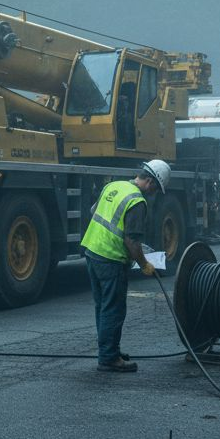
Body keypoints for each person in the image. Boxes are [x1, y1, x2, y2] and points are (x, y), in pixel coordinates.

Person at [80, 160, 173, 373]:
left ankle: (109, 350)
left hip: (92, 252)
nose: (155, 193)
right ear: (149, 181)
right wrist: (144, 264)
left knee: (102, 306)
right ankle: (109, 358)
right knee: (113, 308)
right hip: (110, 259)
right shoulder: (137, 201)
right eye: (156, 189)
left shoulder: (114, 186)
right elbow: (131, 240)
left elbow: (94, 211)